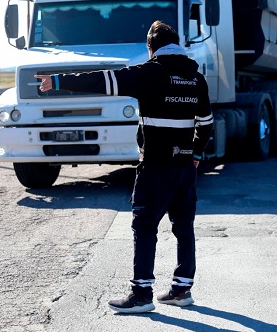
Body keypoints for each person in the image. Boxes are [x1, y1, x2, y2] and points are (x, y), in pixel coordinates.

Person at [36, 21, 213, 314]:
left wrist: (57, 81)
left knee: (144, 225)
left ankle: (142, 294)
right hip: (184, 166)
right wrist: (194, 154)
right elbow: (206, 124)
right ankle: (182, 290)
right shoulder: (197, 79)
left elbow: (104, 80)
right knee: (184, 226)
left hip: (156, 166)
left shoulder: (148, 73)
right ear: (177, 44)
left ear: (150, 47)